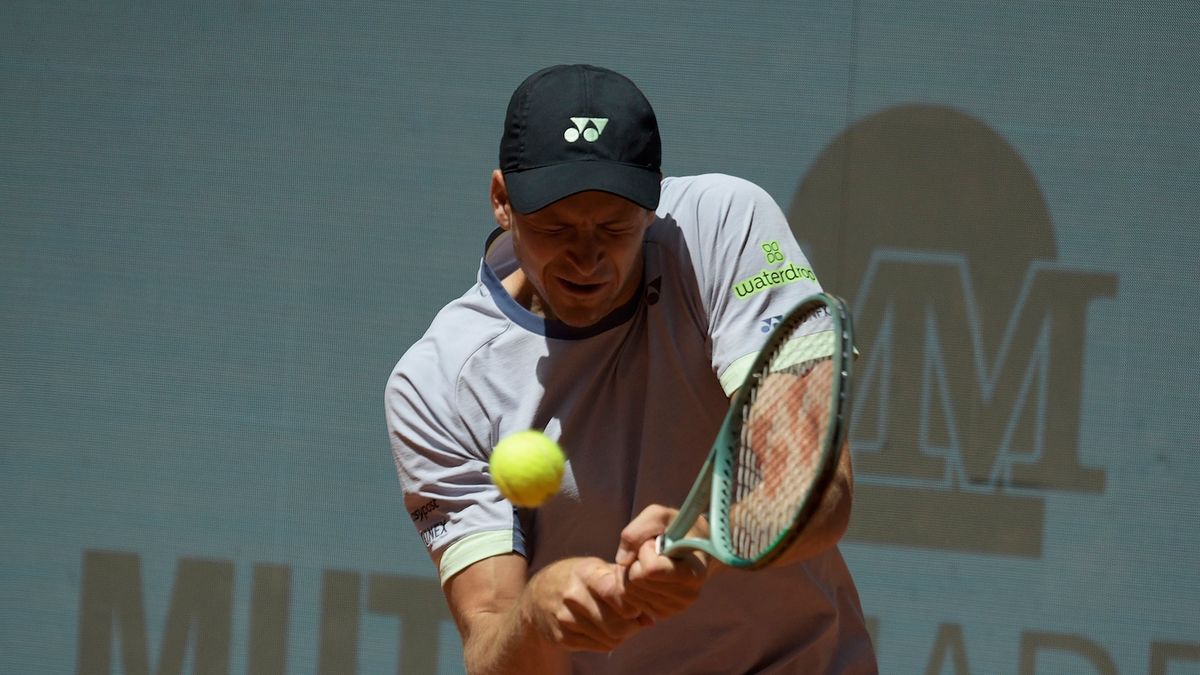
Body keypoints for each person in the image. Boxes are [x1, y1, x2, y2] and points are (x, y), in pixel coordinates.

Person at [385, 64, 878, 674]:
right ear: (502, 202)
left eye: (614, 226)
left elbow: (822, 490)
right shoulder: (438, 384)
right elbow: (491, 645)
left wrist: (701, 542)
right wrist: (537, 614)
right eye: (556, 226)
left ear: (654, 202)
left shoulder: (722, 226)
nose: (586, 257)